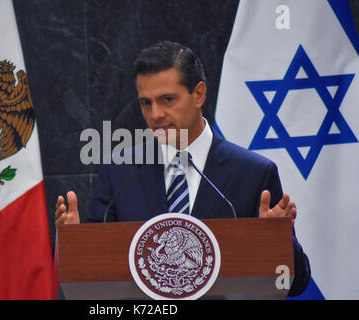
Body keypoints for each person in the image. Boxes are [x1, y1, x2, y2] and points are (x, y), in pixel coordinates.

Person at [55, 41, 310, 296]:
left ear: (199, 94)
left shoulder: (254, 174)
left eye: (167, 99)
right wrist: (75, 243)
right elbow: (90, 278)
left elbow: (295, 284)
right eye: (146, 103)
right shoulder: (120, 171)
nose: (155, 114)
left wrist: (276, 240)